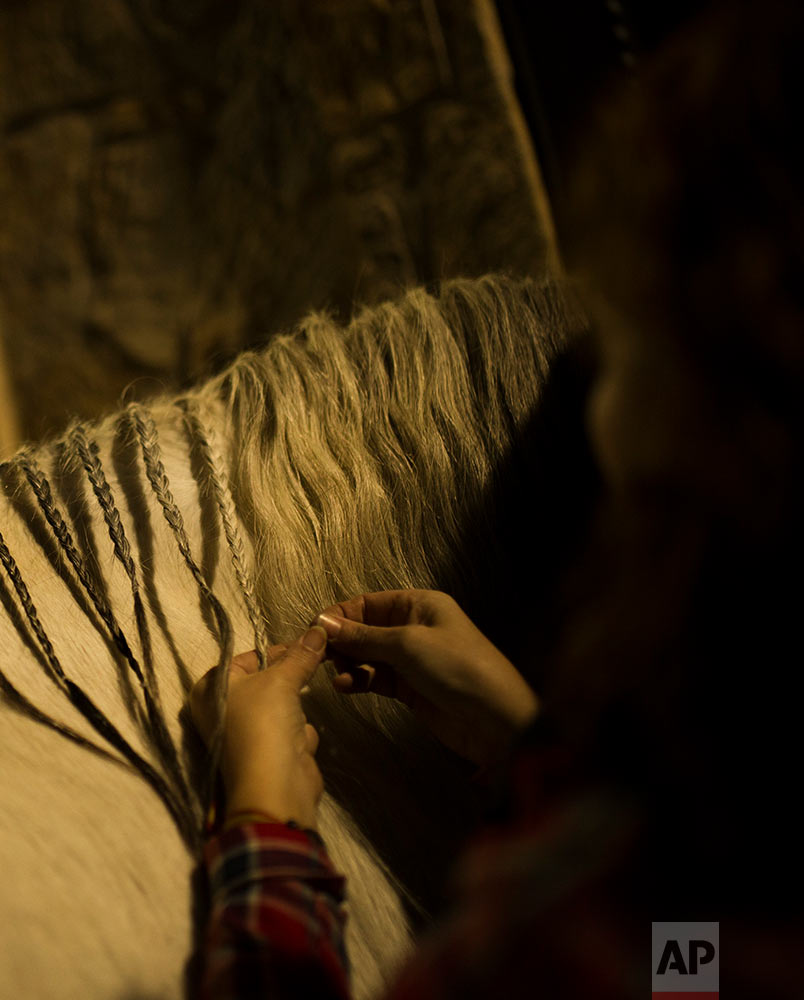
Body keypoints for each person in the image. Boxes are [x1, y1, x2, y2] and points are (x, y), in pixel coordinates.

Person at [187, 2, 804, 996]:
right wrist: (527, 742)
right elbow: (691, 962)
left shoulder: (561, 943)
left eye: (624, 339)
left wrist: (263, 823)